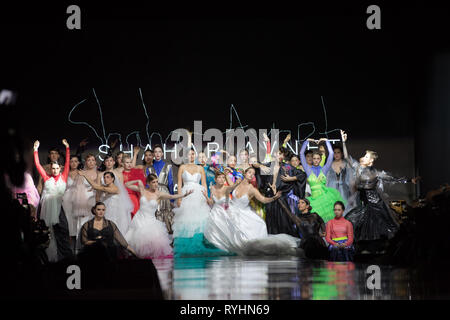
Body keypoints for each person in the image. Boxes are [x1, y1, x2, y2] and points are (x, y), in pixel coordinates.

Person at [344, 148, 419, 254]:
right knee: (355, 221)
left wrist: (410, 180)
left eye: (366, 156)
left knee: (388, 226)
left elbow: (393, 178)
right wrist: (343, 141)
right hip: (366, 204)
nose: (363, 157)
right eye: (364, 155)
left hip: (376, 203)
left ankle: (400, 247)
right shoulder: (358, 168)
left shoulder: (376, 173)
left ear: (371, 161)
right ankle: (367, 250)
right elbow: (347, 157)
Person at [222, 167, 302, 256]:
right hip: (232, 211)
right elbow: (230, 184)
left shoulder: (252, 189)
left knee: (253, 232)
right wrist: (226, 175)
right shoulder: (238, 183)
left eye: (253, 174)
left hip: (243, 214)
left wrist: (273, 198)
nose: (251, 175)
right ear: (245, 173)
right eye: (249, 172)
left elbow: (263, 200)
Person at [172, 149, 230, 257]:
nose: (191, 156)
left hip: (198, 194)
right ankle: (186, 246)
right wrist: (179, 198)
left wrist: (207, 198)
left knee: (199, 219)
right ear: (186, 156)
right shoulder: (182, 167)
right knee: (187, 219)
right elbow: (179, 184)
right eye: (189, 154)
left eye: (193, 154)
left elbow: (203, 184)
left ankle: (200, 243)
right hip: (186, 194)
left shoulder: (200, 168)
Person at [125, 174, 191, 258]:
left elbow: (171, 196)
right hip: (139, 220)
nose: (156, 184)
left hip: (151, 221)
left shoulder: (159, 194)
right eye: (153, 182)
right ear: (148, 183)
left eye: (157, 182)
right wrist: (137, 181)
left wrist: (184, 195)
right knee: (137, 243)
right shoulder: (142, 190)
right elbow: (126, 185)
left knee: (152, 247)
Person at [33, 139, 72, 262]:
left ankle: (65, 256)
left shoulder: (64, 176)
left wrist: (67, 148)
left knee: (63, 230)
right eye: (53, 168)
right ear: (50, 168)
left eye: (56, 168)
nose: (55, 170)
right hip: (46, 207)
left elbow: (67, 162)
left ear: (59, 169)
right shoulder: (46, 177)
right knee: (47, 231)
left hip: (58, 207)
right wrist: (35, 150)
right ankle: (46, 257)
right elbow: (38, 165)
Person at [258, 148, 306, 237]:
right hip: (270, 199)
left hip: (282, 198)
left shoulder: (286, 167)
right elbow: (255, 164)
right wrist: (260, 166)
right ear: (274, 154)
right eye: (278, 153)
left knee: (284, 221)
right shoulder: (268, 166)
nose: (280, 156)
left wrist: (291, 178)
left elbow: (302, 175)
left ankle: (285, 244)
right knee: (271, 221)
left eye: (282, 154)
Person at [300, 138, 345, 223]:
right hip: (314, 200)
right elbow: (301, 153)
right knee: (315, 222)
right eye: (314, 158)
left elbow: (331, 154)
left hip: (325, 199)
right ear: (312, 159)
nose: (316, 160)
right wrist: (307, 141)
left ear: (320, 159)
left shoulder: (324, 169)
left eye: (318, 158)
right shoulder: (308, 170)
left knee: (327, 222)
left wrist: (326, 141)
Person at [79, 171, 131, 236]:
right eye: (104, 177)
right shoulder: (105, 186)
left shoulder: (115, 188)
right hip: (107, 209)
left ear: (112, 179)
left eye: (108, 177)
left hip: (115, 211)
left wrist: (85, 175)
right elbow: (95, 186)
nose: (105, 179)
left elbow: (96, 186)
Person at [203, 171, 240, 253]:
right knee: (215, 224)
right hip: (216, 211)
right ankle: (218, 246)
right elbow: (211, 203)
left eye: (223, 178)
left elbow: (233, 187)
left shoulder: (226, 188)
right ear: (215, 179)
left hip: (227, 210)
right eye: (219, 177)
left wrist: (236, 183)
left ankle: (230, 246)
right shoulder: (212, 188)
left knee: (228, 227)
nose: (222, 179)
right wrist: (206, 197)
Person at [326, 130, 358, 214]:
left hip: (344, 191)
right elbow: (326, 180)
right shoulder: (329, 165)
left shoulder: (346, 164)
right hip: (332, 191)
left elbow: (347, 156)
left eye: (338, 152)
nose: (336, 154)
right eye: (334, 153)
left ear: (341, 154)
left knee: (345, 210)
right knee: (332, 210)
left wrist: (343, 142)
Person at [72, 153, 99, 236]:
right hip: (84, 199)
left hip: (95, 198)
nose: (91, 162)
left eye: (93, 160)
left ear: (95, 162)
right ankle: (81, 241)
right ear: (86, 162)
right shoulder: (81, 173)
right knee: (84, 220)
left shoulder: (99, 173)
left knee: (95, 219)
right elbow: (77, 189)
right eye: (88, 160)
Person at [152, 144, 175, 234]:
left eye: (159, 152)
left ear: (162, 154)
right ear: (153, 154)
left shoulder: (168, 166)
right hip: (153, 192)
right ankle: (157, 236)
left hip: (164, 192)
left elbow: (170, 183)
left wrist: (172, 199)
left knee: (167, 214)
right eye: (155, 152)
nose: (157, 154)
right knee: (155, 213)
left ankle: (169, 237)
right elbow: (147, 184)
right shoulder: (150, 167)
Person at [61, 155, 81, 248]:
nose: (73, 163)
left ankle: (77, 247)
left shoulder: (82, 173)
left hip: (79, 199)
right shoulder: (65, 173)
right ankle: (68, 248)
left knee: (78, 221)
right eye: (71, 161)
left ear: (79, 162)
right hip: (67, 200)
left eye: (75, 161)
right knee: (68, 220)